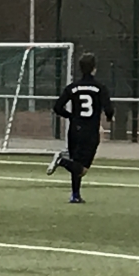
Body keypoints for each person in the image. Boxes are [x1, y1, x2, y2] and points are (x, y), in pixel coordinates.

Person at [46, 52, 114, 203]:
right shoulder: (100, 87)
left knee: (76, 162)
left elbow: (57, 107)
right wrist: (109, 117)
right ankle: (61, 161)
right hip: (90, 130)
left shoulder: (73, 87)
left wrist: (71, 116)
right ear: (94, 68)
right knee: (82, 169)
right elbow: (108, 108)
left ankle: (75, 195)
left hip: (75, 129)